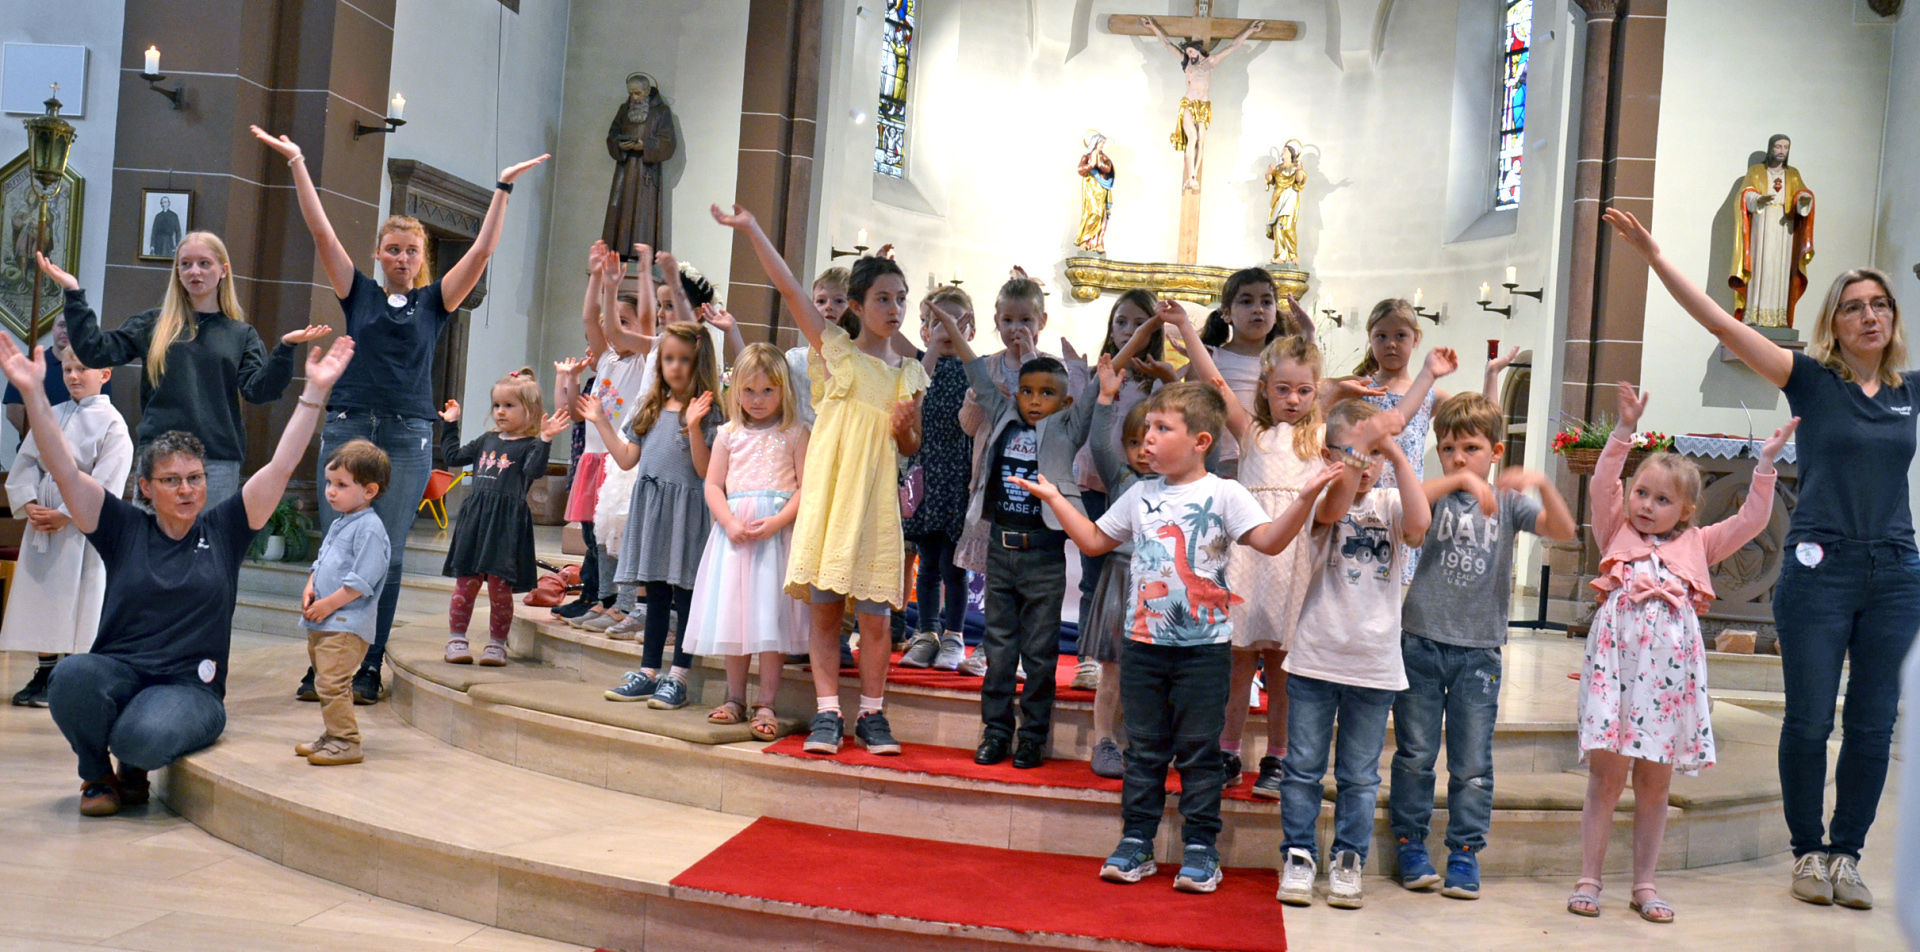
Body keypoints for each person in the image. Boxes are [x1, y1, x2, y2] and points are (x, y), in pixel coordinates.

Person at [1605, 206, 1909, 911]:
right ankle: (1808, 851)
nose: (1869, 317)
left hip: (1895, 570)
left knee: (1872, 721)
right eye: (1854, 307)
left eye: (1880, 305)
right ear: (1834, 322)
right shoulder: (1810, 380)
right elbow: (1720, 323)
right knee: (1808, 719)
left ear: (1892, 318)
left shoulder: (1908, 394)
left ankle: (1847, 856)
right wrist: (1655, 256)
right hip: (1819, 570)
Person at [250, 123, 549, 705]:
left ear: (423, 259)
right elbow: (319, 230)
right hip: (348, 425)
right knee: (337, 548)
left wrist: (503, 190)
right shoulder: (358, 293)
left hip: (408, 436)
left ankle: (366, 668)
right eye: (393, 248)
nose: (403, 257)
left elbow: (484, 250)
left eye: (412, 250)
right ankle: (322, 664)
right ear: (379, 254)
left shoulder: (435, 301)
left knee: (382, 552)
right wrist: (297, 163)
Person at [1015, 381, 1342, 895]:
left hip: (1204, 652)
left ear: (1201, 441)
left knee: (1198, 752)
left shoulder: (1225, 493)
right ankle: (1137, 841)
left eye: (1162, 428)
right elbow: (1097, 542)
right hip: (1143, 649)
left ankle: (1200, 849)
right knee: (1143, 750)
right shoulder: (1140, 494)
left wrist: (1304, 498)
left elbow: (1273, 542)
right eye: (1147, 428)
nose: (1147, 438)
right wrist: (1058, 497)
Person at [9, 334, 355, 817]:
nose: (187, 489)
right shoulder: (122, 527)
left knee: (141, 737)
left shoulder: (226, 528)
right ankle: (96, 774)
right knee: (70, 677)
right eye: (171, 480)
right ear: (146, 488)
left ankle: (133, 767)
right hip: (121, 670)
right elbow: (65, 471)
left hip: (190, 688)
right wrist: (33, 394)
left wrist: (314, 392)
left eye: (195, 478)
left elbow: (280, 467)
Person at [1567, 382, 1788, 923]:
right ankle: (1588, 878)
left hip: (1666, 685)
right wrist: (1623, 433)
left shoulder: (1699, 544)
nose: (1647, 505)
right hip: (1617, 676)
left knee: (1655, 781)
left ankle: (1645, 882)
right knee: (1605, 777)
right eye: (1642, 492)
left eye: (1663, 499)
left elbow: (1752, 522)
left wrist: (1764, 468)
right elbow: (1602, 483)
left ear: (1686, 510)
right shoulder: (1614, 530)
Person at [713, 203, 926, 757]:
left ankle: (874, 715)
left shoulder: (909, 372)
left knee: (876, 620)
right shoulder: (834, 353)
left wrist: (905, 428)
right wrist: (754, 225)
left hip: (876, 502)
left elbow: (910, 446)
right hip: (831, 500)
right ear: (856, 306)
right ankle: (829, 712)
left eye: (901, 299)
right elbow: (789, 291)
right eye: (883, 298)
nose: (895, 308)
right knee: (826, 611)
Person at [1389, 392, 1576, 900]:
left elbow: (1564, 531)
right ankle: (1410, 843)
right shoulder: (1429, 494)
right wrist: (1457, 479)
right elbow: (1410, 522)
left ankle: (1465, 853)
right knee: (1416, 754)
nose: (1457, 457)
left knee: (1471, 764)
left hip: (1479, 652)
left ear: (1495, 451)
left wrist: (1538, 480)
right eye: (1448, 448)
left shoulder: (1510, 504)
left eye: (1470, 448)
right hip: (1422, 642)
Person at [929, 303, 1097, 770]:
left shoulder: (1067, 427)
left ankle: (1033, 737)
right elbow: (978, 375)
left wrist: (1107, 364)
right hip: (1003, 551)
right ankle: (997, 731)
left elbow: (1096, 390)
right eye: (1027, 391)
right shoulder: (1003, 412)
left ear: (1064, 402)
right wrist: (951, 330)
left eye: (1046, 393)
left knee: (1040, 656)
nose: (1034, 400)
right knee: (1000, 651)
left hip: (1043, 556)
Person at [1275, 399, 1427, 910]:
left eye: (1374, 455)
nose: (1366, 465)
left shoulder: (1388, 503)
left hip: (1375, 664)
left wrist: (1398, 455)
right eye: (1352, 452)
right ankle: (1298, 855)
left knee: (1360, 775)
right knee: (1302, 769)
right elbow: (1336, 509)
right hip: (1317, 657)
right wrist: (1361, 452)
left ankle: (1348, 859)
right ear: (1327, 454)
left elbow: (1420, 525)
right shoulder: (1324, 497)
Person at [38, 242, 328, 505]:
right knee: (153, 551)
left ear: (223, 271)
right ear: (177, 272)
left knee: (206, 552)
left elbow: (259, 391)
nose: (194, 271)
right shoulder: (153, 324)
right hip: (160, 455)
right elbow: (95, 352)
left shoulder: (240, 334)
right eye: (186, 264)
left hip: (215, 460)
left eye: (204, 263)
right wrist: (74, 293)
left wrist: (286, 348)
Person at [1194, 326, 1334, 795]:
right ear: (1264, 389)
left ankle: (1278, 758)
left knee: (1283, 669)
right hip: (1250, 561)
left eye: (1303, 390)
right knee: (1237, 663)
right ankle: (1228, 751)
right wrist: (1184, 333)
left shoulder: (1319, 434)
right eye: (1282, 389)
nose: (1292, 399)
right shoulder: (1251, 433)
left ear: (1316, 392)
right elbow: (1214, 381)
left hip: (1296, 563)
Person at [680, 343, 809, 738]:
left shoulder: (796, 432)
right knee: (736, 618)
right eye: (749, 391)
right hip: (734, 538)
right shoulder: (727, 434)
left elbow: (807, 488)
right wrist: (730, 523)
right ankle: (734, 698)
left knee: (771, 618)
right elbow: (713, 485)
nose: (757, 400)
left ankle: (766, 701)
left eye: (767, 391)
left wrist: (778, 521)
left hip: (775, 537)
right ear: (735, 391)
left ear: (783, 390)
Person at [594, 322, 723, 709]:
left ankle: (678, 677)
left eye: (685, 360)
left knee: (684, 597)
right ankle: (648, 673)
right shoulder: (650, 406)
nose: (677, 367)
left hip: (686, 512)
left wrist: (696, 425)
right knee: (654, 597)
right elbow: (627, 457)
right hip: (652, 510)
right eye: (669, 359)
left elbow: (704, 470)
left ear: (698, 363)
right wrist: (600, 420)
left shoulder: (708, 410)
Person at [2, 348, 131, 707]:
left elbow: (108, 480)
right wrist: (29, 502)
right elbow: (27, 461)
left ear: (105, 373)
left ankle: (70, 677)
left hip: (80, 528)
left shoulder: (113, 425)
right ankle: (43, 672)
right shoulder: (52, 415)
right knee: (42, 599)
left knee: (73, 601)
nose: (73, 376)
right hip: (41, 521)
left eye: (83, 369)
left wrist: (66, 513)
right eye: (68, 369)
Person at [1066, 289, 1166, 691]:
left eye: (1137, 323)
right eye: (1120, 322)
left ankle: (1134, 655)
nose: (1127, 330)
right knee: (1093, 578)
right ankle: (1089, 657)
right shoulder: (1102, 372)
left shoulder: (1155, 382)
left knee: (1136, 576)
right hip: (1095, 484)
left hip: (1139, 490)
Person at [554, 241, 655, 626]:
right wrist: (597, 277)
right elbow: (589, 319)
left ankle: (618, 602)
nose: (617, 333)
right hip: (594, 459)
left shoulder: (645, 360)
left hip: (621, 459)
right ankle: (601, 597)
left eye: (624, 325)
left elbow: (645, 320)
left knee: (617, 534)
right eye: (615, 325)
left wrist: (641, 271)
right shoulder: (608, 357)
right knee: (594, 536)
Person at [438, 370, 568, 666]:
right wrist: (450, 424)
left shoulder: (531, 445)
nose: (500, 412)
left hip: (505, 524)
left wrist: (546, 438)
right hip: (477, 519)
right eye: (497, 405)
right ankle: (457, 638)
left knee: (499, 589)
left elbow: (534, 471)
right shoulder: (487, 439)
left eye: (509, 406)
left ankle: (496, 644)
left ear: (531, 410)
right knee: (466, 584)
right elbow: (453, 457)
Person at [297, 439, 392, 766]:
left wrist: (329, 605)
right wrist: (311, 586)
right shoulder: (342, 522)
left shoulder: (370, 528)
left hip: (346, 624)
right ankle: (332, 733)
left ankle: (346, 740)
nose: (330, 491)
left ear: (369, 490)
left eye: (341, 484)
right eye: (329, 483)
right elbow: (323, 562)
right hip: (325, 620)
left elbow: (361, 581)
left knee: (332, 682)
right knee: (326, 681)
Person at [899, 288, 978, 672]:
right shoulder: (918, 364)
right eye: (937, 322)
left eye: (957, 321)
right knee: (927, 562)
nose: (947, 329)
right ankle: (926, 632)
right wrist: (931, 345)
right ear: (924, 330)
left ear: (972, 328)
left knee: (953, 565)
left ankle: (954, 636)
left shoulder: (974, 366)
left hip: (959, 478)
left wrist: (955, 338)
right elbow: (914, 391)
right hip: (925, 474)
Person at [1079, 390, 1155, 778]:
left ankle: (1137, 742)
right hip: (1121, 576)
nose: (1143, 450)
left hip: (1160, 583)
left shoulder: (1182, 481)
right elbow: (1097, 440)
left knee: (1148, 670)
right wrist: (1106, 398)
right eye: (1133, 442)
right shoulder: (1122, 477)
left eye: (1151, 440)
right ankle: (1104, 741)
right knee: (1112, 668)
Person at [1193, 268, 1315, 475]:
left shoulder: (1282, 361)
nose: (1258, 309)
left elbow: (1308, 387)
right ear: (1226, 313)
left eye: (1266, 302)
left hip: (1270, 462)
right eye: (1246, 302)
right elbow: (1194, 410)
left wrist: (1309, 334)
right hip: (1221, 464)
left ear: (1276, 313)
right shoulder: (1211, 357)